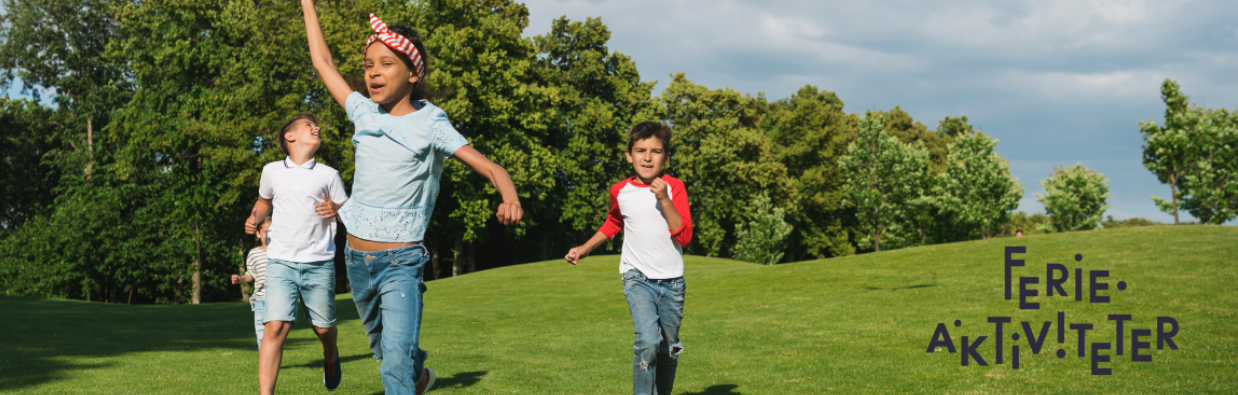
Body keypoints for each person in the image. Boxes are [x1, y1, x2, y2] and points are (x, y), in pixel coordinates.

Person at [300, 2, 524, 394]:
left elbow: (490, 167)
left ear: (413, 73)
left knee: (393, 368)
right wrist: (307, 5)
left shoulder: (431, 123)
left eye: (386, 63)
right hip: (356, 260)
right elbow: (322, 62)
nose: (373, 72)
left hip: (401, 260)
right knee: (388, 354)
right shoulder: (363, 112)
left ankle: (407, 375)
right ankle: (419, 376)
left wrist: (509, 195)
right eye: (369, 64)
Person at [565, 122, 693, 395]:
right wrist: (586, 248)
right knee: (647, 340)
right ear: (629, 155)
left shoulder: (675, 187)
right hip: (637, 278)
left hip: (673, 283)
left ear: (667, 157)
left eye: (656, 151)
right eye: (640, 150)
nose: (647, 157)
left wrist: (664, 200)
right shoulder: (619, 191)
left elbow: (684, 237)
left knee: (671, 348)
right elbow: (614, 221)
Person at [244, 112, 349, 394]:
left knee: (324, 329)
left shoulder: (329, 175)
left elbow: (349, 213)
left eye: (316, 125)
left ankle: (330, 356)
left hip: (319, 264)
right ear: (290, 136)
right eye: (308, 126)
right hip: (281, 262)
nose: (316, 127)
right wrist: (254, 217)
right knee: (275, 327)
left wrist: (337, 210)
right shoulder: (271, 171)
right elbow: (264, 202)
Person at [232, 217, 273, 350]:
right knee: (261, 335)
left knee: (274, 334)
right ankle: (265, 365)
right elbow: (251, 274)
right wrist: (241, 279)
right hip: (260, 300)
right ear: (258, 234)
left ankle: (273, 360)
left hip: (277, 299)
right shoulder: (254, 254)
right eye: (266, 231)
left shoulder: (281, 252)